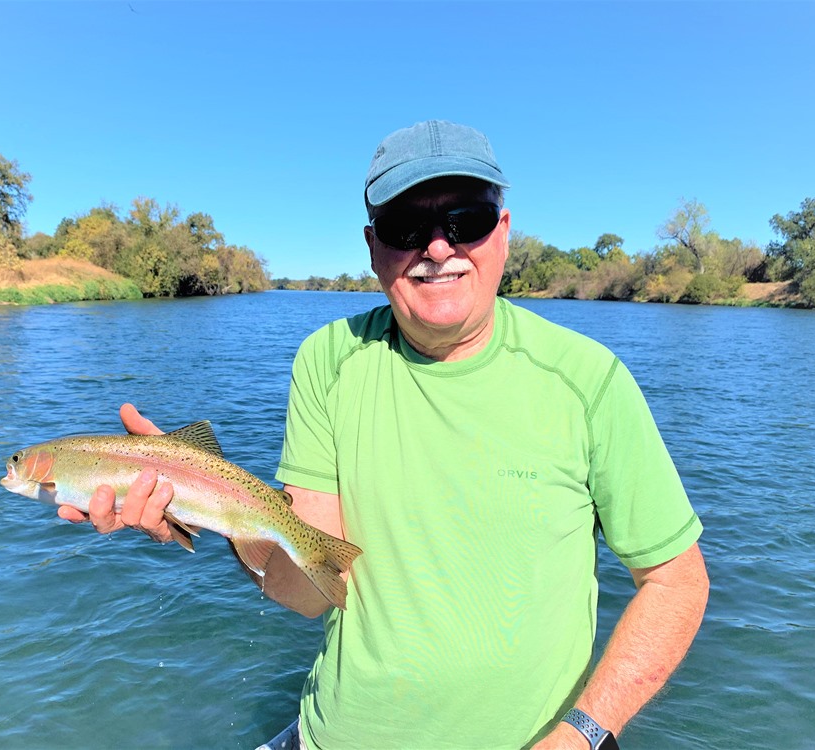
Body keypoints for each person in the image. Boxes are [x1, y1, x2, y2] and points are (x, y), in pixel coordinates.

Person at [59, 120, 710, 749]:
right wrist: (200, 503)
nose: (437, 248)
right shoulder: (328, 361)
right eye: (406, 226)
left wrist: (584, 736)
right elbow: (309, 593)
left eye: (467, 221)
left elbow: (678, 582)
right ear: (373, 247)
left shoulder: (589, 381)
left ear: (504, 233)